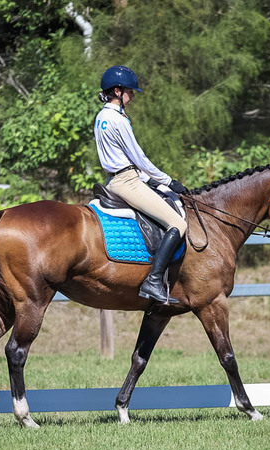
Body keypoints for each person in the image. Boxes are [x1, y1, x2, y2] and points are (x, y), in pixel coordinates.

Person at [93, 65, 189, 304]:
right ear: (117, 91)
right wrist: (168, 181)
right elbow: (139, 158)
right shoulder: (118, 120)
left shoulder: (101, 117)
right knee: (178, 223)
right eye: (129, 91)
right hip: (127, 182)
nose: (132, 96)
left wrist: (149, 180)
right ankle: (154, 281)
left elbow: (121, 158)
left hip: (118, 179)